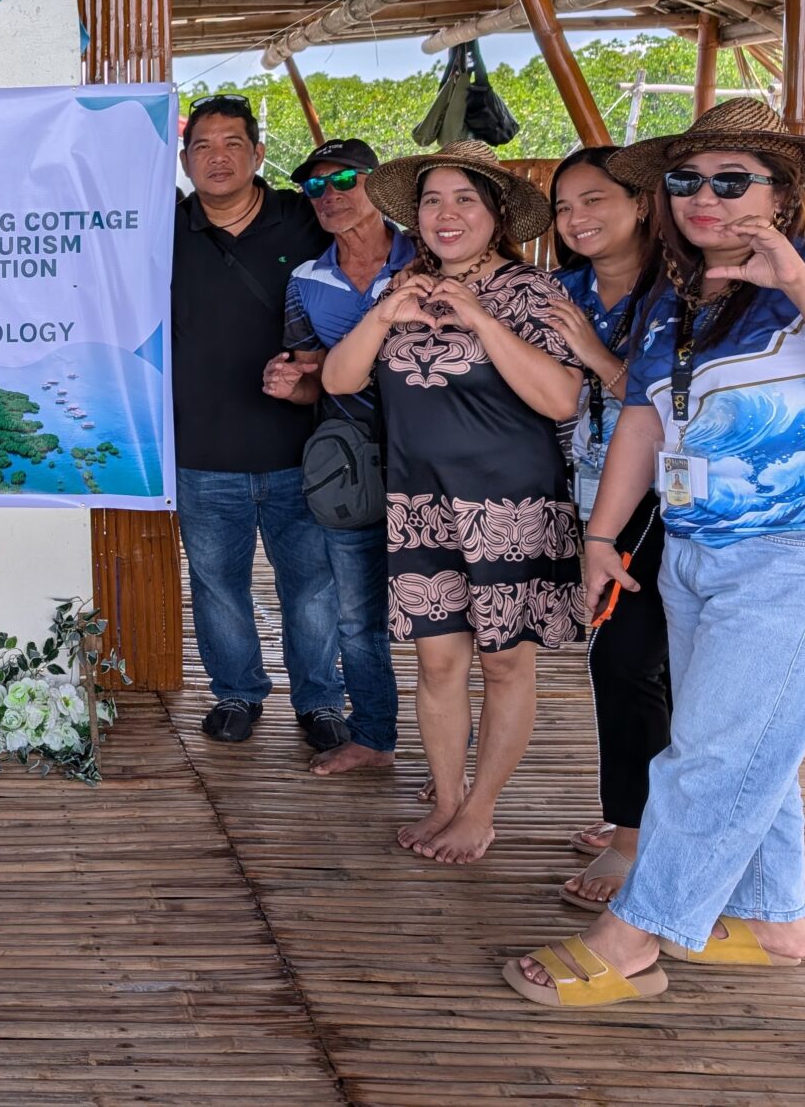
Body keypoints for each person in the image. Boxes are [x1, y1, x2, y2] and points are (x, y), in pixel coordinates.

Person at [507, 99, 805, 1009]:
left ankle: (632, 938)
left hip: (795, 553)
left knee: (713, 754)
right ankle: (774, 919)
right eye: (687, 180)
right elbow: (645, 418)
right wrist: (603, 537)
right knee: (740, 741)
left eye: (734, 181)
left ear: (786, 190)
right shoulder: (678, 296)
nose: (703, 197)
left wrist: (796, 280)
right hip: (692, 549)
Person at [323, 141, 584, 865]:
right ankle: (444, 798)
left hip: (513, 508)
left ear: (497, 213)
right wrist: (383, 317)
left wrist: (482, 320)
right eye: (433, 200)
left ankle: (481, 809)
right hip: (421, 504)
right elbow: (342, 382)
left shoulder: (532, 291)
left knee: (505, 665)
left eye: (465, 199)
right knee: (437, 664)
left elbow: (562, 396)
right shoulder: (401, 288)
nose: (446, 214)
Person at [172, 94, 343, 749]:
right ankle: (237, 694)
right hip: (202, 451)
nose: (218, 157)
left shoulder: (306, 221)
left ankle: (322, 701)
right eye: (203, 146)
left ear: (259, 153)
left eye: (233, 144)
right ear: (185, 161)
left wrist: (322, 366)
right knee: (218, 589)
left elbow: (363, 294)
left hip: (300, 451)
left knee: (311, 591)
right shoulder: (160, 233)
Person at [541, 146, 667, 913]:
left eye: (594, 201)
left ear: (643, 204)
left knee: (628, 663)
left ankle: (633, 835)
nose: (576, 219)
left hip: (667, 502)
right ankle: (639, 809)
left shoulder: (680, 291)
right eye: (563, 207)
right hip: (588, 500)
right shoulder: (562, 288)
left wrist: (591, 352)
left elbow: (663, 407)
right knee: (631, 663)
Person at [267, 138, 415, 777]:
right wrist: (291, 383)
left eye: (345, 178)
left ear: (380, 184)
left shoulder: (431, 257)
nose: (329, 195)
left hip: (439, 465)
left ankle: (456, 759)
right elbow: (314, 381)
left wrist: (337, 366)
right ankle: (375, 737)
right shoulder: (305, 280)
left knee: (457, 622)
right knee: (357, 620)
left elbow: (441, 365)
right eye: (314, 186)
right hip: (350, 469)